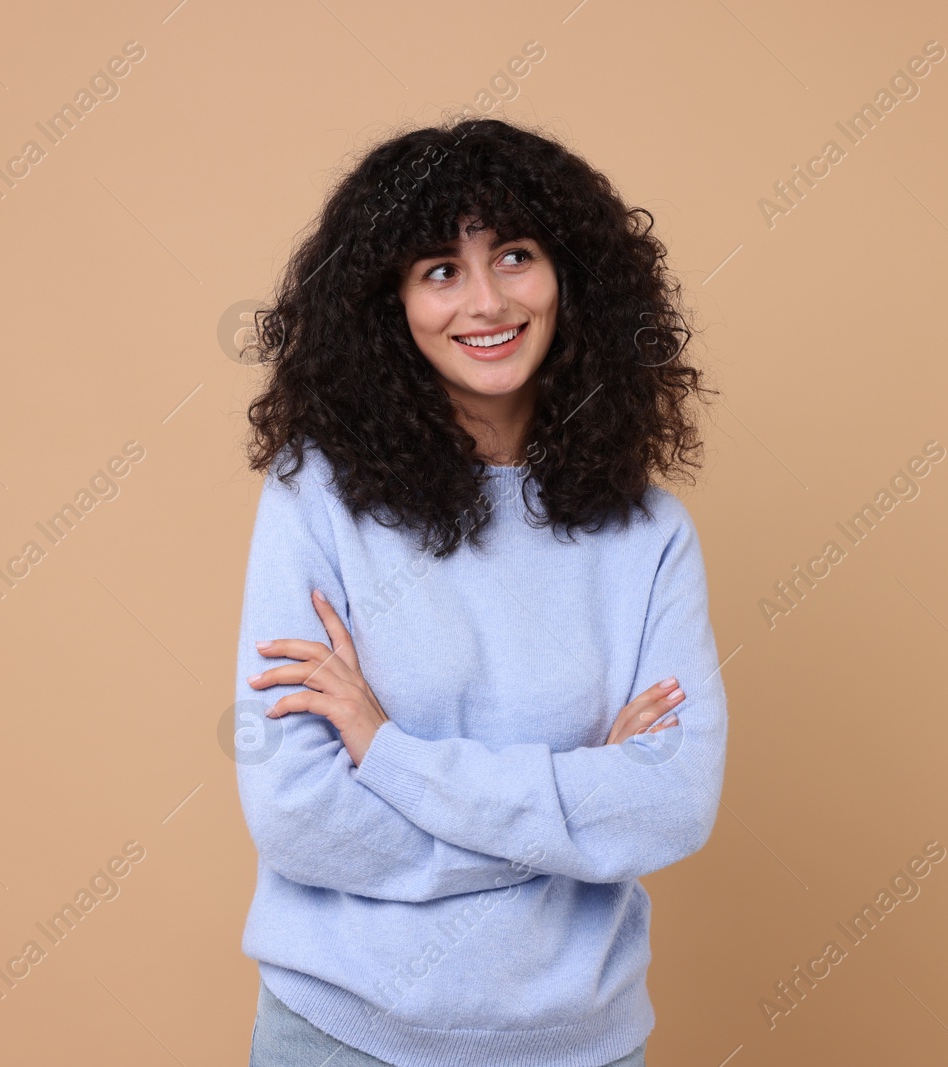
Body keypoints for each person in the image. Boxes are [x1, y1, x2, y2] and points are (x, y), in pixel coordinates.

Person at [231, 115, 728, 1067]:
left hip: (580, 1042)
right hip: (341, 1033)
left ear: (572, 277)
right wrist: (572, 817)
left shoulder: (650, 536)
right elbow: (298, 815)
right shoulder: (314, 498)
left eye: (513, 254)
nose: (486, 300)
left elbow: (670, 804)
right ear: (391, 304)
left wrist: (387, 754)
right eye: (440, 270)